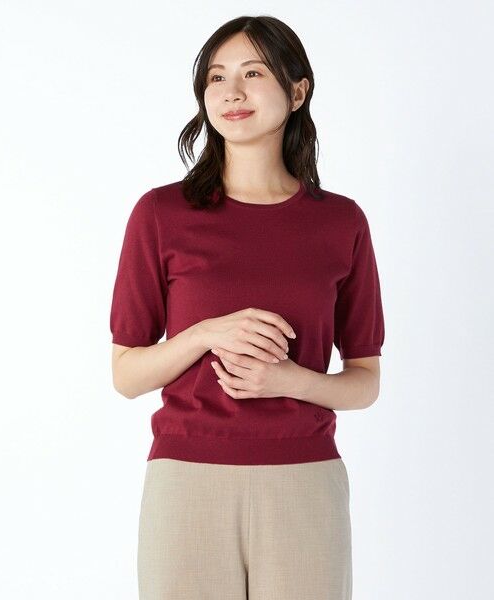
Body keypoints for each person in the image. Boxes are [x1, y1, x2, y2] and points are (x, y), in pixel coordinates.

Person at [110, 15, 385, 600]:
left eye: (253, 73)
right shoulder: (161, 214)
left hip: (304, 480)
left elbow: (365, 381)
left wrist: (289, 381)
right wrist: (204, 333)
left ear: (297, 91)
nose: (232, 92)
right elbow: (126, 375)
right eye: (217, 77)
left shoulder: (341, 222)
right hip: (186, 480)